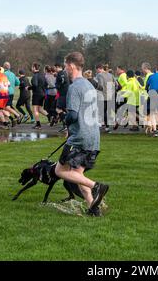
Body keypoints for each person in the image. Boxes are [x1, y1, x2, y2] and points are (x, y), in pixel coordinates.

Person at [54, 52, 109, 217]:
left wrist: (63, 118)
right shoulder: (88, 84)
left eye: (65, 66)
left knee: (60, 171)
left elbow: (72, 116)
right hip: (94, 136)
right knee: (77, 175)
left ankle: (97, 186)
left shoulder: (74, 87)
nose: (65, 69)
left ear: (71, 66)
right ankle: (93, 207)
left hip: (80, 137)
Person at [95, 64, 115, 132]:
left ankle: (106, 127)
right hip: (110, 95)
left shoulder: (99, 75)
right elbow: (116, 85)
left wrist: (95, 88)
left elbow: (100, 86)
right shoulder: (111, 75)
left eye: (97, 70)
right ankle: (106, 125)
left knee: (103, 111)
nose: (97, 72)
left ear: (99, 69)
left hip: (102, 96)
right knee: (108, 111)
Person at [30, 63, 48, 130]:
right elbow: (46, 84)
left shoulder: (35, 75)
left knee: (35, 110)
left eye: (32, 67)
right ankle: (50, 117)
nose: (31, 68)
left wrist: (29, 88)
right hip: (42, 94)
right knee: (40, 109)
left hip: (37, 94)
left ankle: (38, 124)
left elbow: (35, 85)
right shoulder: (43, 75)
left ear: (34, 68)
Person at [56, 63, 71, 131]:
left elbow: (62, 81)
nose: (55, 69)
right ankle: (67, 124)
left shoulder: (60, 73)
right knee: (65, 109)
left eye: (55, 67)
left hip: (63, 94)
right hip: (66, 93)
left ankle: (66, 124)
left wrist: (57, 86)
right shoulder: (65, 73)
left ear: (58, 67)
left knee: (58, 109)